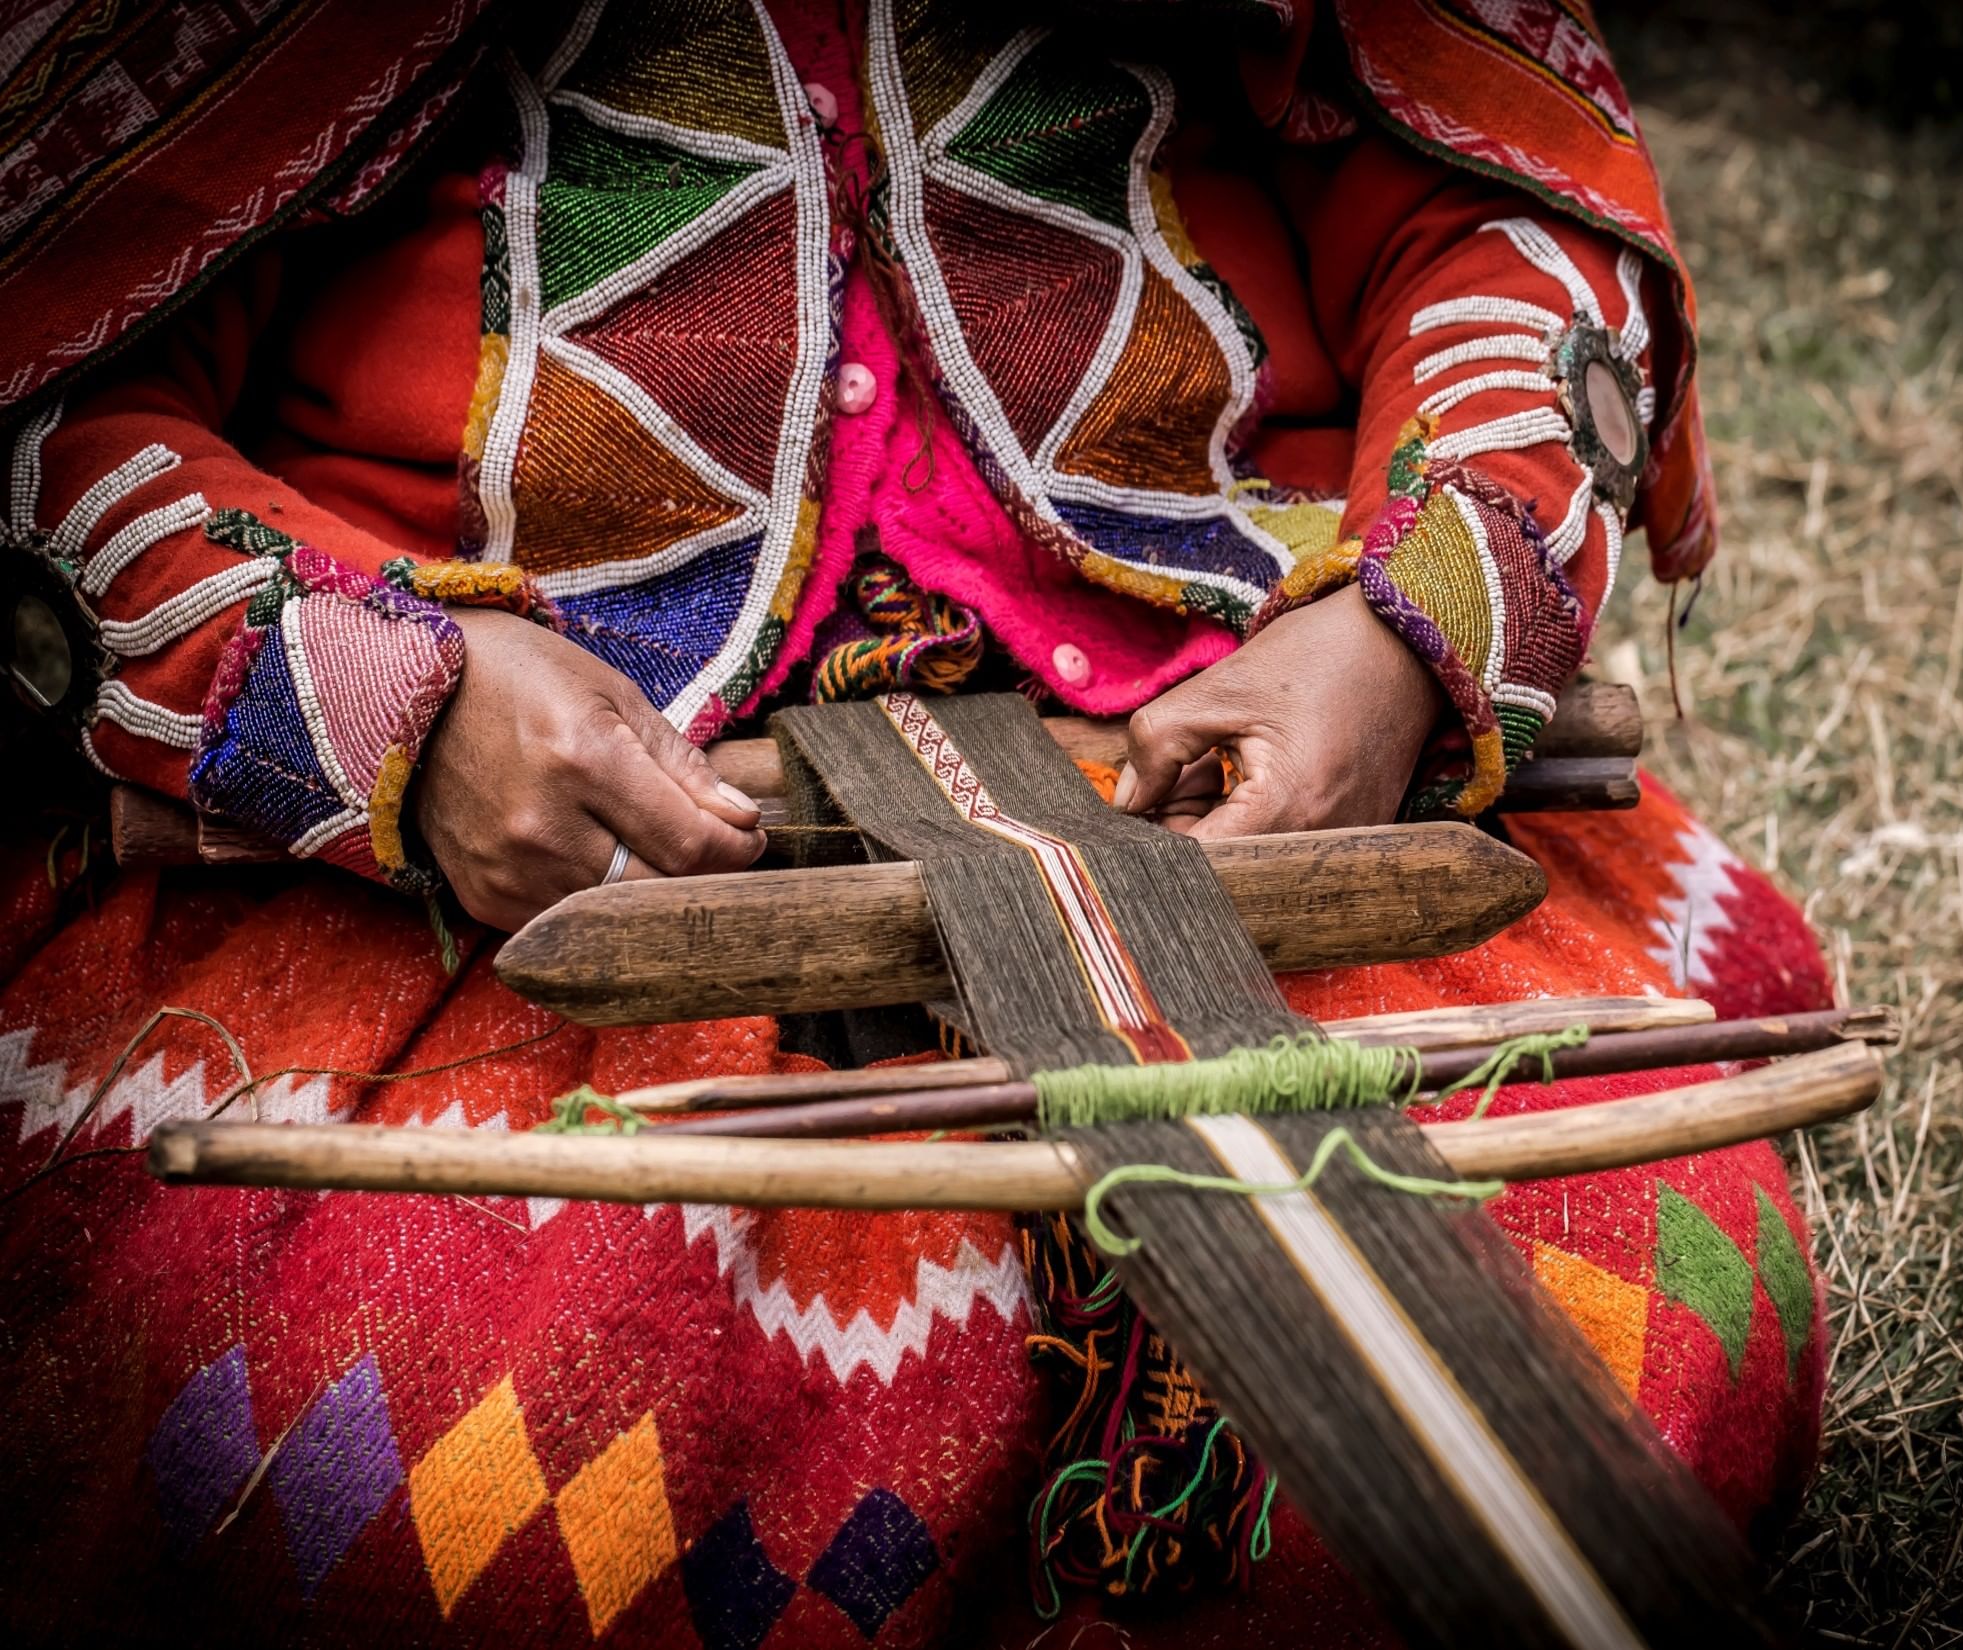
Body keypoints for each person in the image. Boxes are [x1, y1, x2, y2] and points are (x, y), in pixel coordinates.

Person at [0, 2, 1833, 1642]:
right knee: (433, 1475)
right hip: (516, 859)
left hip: (1218, 782)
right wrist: (389, 698)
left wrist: (1390, 640)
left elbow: (1507, 229)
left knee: (1624, 1327)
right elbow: (48, 389)